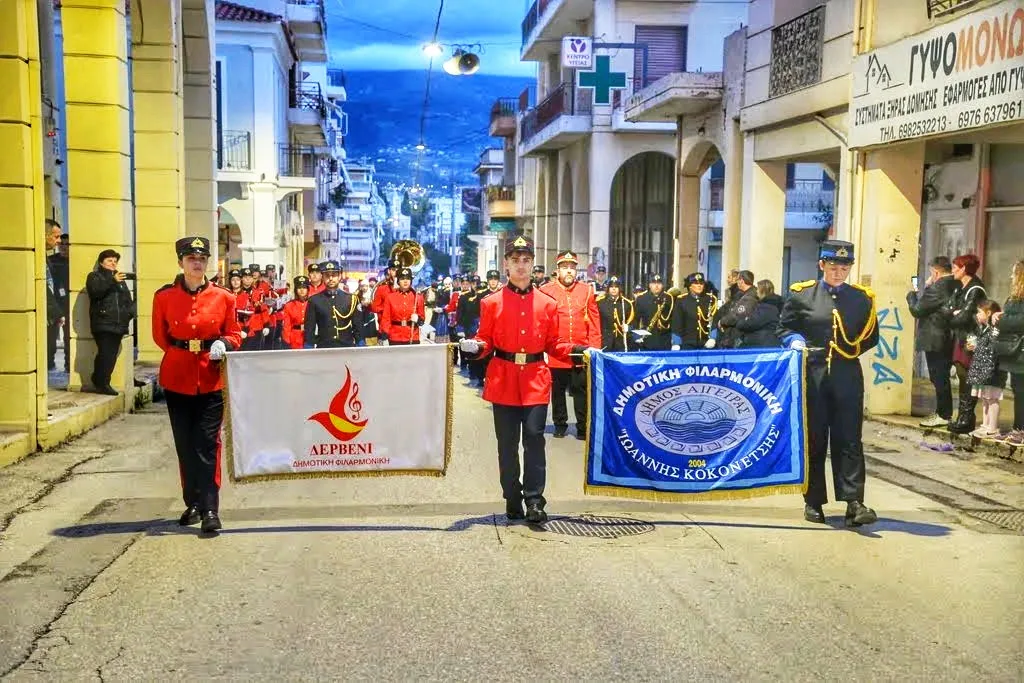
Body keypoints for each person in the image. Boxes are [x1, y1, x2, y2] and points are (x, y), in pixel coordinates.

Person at [458, 236, 577, 523]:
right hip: (503, 379)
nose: (521, 267)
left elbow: (555, 344)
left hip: (536, 379)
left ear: (533, 263)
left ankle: (535, 501)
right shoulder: (491, 302)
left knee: (535, 440)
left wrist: (578, 350)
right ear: (506, 264)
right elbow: (486, 339)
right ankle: (512, 497)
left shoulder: (548, 304)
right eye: (515, 261)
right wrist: (476, 347)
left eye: (526, 261)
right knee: (507, 445)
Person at [778, 240, 880, 527]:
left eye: (844, 268)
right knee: (815, 438)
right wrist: (794, 340)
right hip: (813, 375)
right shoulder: (802, 295)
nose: (839, 273)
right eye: (833, 267)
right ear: (822, 265)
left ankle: (854, 502)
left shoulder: (862, 298)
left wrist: (849, 351)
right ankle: (813, 501)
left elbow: (871, 335)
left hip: (847, 375)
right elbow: (783, 327)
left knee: (849, 438)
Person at [152, 236, 241, 533]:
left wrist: (223, 342)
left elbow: (235, 332)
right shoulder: (164, 297)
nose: (197, 263)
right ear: (181, 262)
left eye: (202, 259)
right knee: (185, 444)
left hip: (211, 378)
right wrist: (182, 352)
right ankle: (192, 501)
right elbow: (160, 337)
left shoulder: (224, 297)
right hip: (177, 378)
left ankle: (210, 508)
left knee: (208, 443)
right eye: (191, 258)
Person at [541, 251, 601, 439]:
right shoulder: (546, 291)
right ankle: (560, 424)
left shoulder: (587, 290)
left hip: (581, 350)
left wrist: (595, 348)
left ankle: (583, 426)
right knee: (558, 389)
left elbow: (594, 320)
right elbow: (541, 323)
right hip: (557, 351)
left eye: (572, 268)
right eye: (565, 268)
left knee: (581, 390)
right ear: (557, 270)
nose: (569, 271)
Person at [906, 256, 958, 428]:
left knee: (938, 377)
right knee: (941, 376)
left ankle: (944, 414)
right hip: (948, 337)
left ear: (936, 272)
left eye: (931, 273)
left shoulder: (937, 287)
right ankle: (944, 413)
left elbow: (917, 310)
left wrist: (912, 296)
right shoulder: (955, 283)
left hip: (936, 338)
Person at [85, 248, 136, 394]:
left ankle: (99, 379)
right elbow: (96, 292)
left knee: (111, 353)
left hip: (119, 323)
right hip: (103, 322)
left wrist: (129, 314)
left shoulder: (119, 279)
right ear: (101, 262)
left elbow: (127, 299)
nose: (113, 263)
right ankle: (102, 382)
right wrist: (112, 281)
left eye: (115, 261)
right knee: (106, 353)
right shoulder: (95, 276)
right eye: (109, 260)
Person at [947, 254, 987, 434]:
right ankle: (963, 416)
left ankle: (966, 417)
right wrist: (953, 313)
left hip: (971, 338)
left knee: (968, 376)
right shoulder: (961, 287)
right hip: (961, 337)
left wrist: (953, 315)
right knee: (962, 375)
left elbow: (963, 317)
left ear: (964, 269)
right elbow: (949, 308)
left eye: (956, 267)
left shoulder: (975, 289)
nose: (953, 270)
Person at [992, 259, 1024, 445]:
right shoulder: (1014, 297)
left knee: (1022, 392)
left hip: (1021, 351)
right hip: (1014, 352)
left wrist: (1000, 320)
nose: (1011, 276)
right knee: (1018, 391)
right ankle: (1017, 428)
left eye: (1014, 273)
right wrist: (999, 315)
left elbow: (1019, 322)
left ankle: (1021, 430)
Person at [965, 300, 1006, 439]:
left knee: (992, 399)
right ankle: (985, 425)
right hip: (983, 370)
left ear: (988, 313)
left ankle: (993, 427)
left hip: (993, 371)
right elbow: (983, 347)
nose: (977, 315)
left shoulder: (995, 329)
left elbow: (993, 347)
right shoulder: (983, 328)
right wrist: (974, 346)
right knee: (985, 398)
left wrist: (979, 348)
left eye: (979, 312)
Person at [303, 260, 362, 348]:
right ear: (322, 277)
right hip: (324, 347)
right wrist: (309, 347)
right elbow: (309, 329)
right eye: (327, 276)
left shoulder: (351, 299)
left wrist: (360, 344)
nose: (330, 279)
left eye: (334, 275)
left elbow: (358, 326)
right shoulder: (314, 300)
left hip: (347, 347)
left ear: (339, 276)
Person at [380, 267, 425, 345]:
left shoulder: (418, 297)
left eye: (408, 279)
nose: (405, 281)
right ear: (398, 281)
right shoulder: (390, 297)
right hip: (395, 336)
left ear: (411, 281)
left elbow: (422, 319)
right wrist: (384, 336)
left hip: (412, 336)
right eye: (402, 279)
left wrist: (418, 319)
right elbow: (386, 319)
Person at [712, 270, 756, 349]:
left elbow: (736, 315)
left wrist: (722, 322)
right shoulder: (742, 295)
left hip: (740, 336)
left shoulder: (749, 297)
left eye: (738, 280)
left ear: (741, 281)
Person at [733, 279, 783, 349]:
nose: (756, 291)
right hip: (767, 343)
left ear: (763, 291)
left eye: (757, 289)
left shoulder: (767, 307)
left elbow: (750, 323)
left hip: (762, 346)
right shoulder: (772, 305)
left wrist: (741, 322)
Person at [633, 274, 677, 350]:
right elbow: (636, 320)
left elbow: (674, 319)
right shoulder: (642, 298)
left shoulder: (669, 298)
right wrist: (636, 336)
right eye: (654, 283)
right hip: (648, 338)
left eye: (659, 283)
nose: (656, 286)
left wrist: (675, 340)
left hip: (665, 339)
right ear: (650, 285)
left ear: (662, 285)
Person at [675, 272, 718, 349]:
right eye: (696, 283)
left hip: (706, 342)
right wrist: (676, 342)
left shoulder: (710, 299)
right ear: (690, 286)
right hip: (687, 342)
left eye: (701, 283)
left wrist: (713, 338)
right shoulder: (681, 300)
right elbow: (677, 323)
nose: (699, 286)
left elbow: (714, 320)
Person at [596, 276, 634, 351]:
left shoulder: (627, 304)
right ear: (608, 288)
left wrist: (628, 327)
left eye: (616, 287)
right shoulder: (600, 303)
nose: (614, 289)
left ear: (620, 288)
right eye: (611, 287)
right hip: (605, 341)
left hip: (621, 342)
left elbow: (634, 322)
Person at [280, 276, 311, 350]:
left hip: (309, 336)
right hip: (295, 337)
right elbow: (287, 325)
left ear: (308, 289)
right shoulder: (289, 305)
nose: (302, 290)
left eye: (304, 288)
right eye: (299, 288)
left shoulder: (312, 303)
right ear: (295, 290)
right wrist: (286, 341)